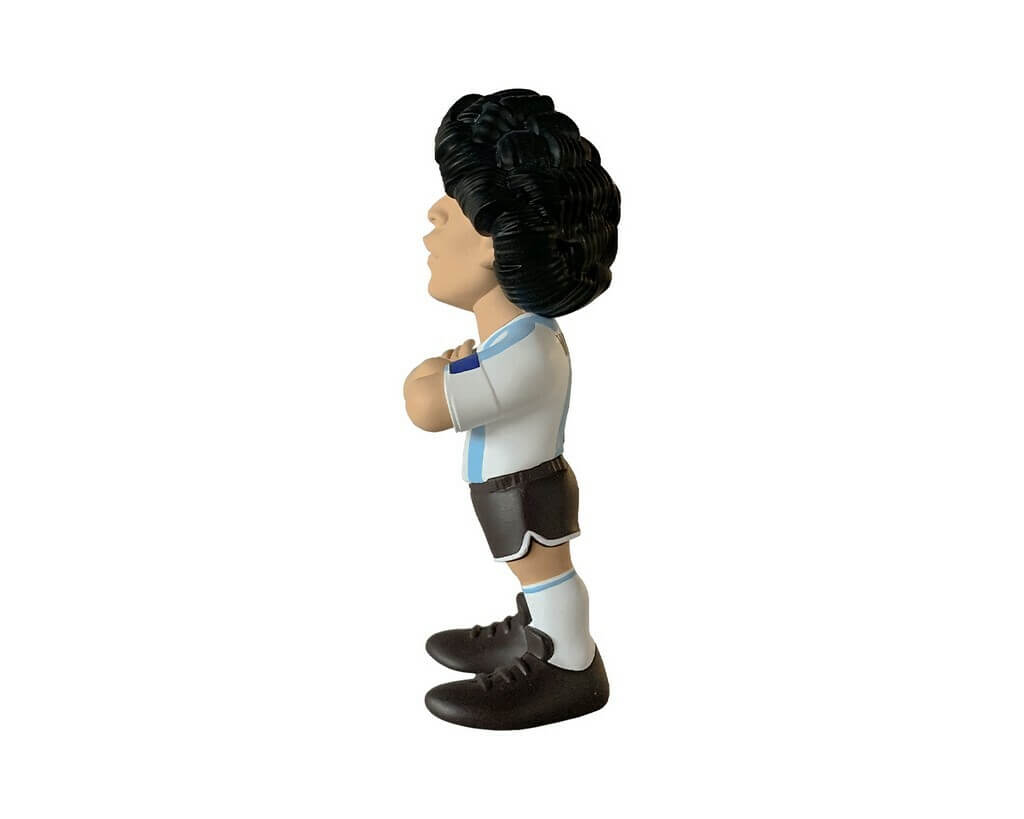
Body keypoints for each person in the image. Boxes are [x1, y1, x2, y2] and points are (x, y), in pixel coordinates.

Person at [403, 89, 620, 729]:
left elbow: (426, 407)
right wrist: (447, 371)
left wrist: (428, 372)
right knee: (530, 570)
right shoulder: (514, 342)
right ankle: (534, 629)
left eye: (455, 205)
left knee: (544, 569)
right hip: (513, 485)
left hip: (524, 489)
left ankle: (568, 664)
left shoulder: (526, 353)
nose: (434, 216)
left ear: (497, 241)